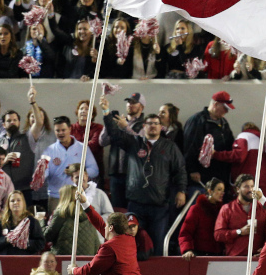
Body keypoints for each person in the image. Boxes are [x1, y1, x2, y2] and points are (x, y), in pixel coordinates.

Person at [101, 96, 187, 248]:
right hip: (136, 204)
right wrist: (107, 112)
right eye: (149, 123)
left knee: (157, 244)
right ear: (144, 127)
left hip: (159, 206)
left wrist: (181, 190)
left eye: (156, 123)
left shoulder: (170, 147)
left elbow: (180, 170)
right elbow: (114, 134)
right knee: (133, 245)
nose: (152, 126)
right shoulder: (134, 143)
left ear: (161, 127)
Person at [182, 91, 236, 189]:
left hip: (220, 174)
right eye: (225, 108)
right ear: (215, 104)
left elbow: (230, 143)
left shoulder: (224, 122)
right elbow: (189, 146)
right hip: (202, 175)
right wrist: (192, 169)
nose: (226, 112)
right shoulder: (197, 120)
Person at [214, 174, 266, 256]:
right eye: (246, 187)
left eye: (252, 186)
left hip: (257, 258)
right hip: (235, 259)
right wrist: (239, 231)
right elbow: (218, 235)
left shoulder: (262, 208)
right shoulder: (227, 209)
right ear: (238, 189)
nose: (251, 190)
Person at [43, 184, 100, 256]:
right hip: (87, 258)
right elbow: (95, 240)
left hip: (64, 259)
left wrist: (40, 221)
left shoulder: (62, 213)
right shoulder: (89, 213)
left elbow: (47, 237)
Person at [180, 178, 226, 259]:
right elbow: (185, 232)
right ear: (210, 191)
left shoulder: (223, 210)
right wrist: (188, 249)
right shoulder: (196, 209)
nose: (222, 193)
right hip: (198, 255)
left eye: (223, 190)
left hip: (219, 255)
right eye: (219, 189)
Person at [0, 190, 45, 255]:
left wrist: (23, 242)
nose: (15, 203)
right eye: (12, 201)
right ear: (8, 204)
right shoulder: (2, 222)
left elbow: (40, 244)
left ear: (23, 203)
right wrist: (7, 239)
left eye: (18, 200)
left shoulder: (32, 221)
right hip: (6, 260)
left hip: (25, 260)